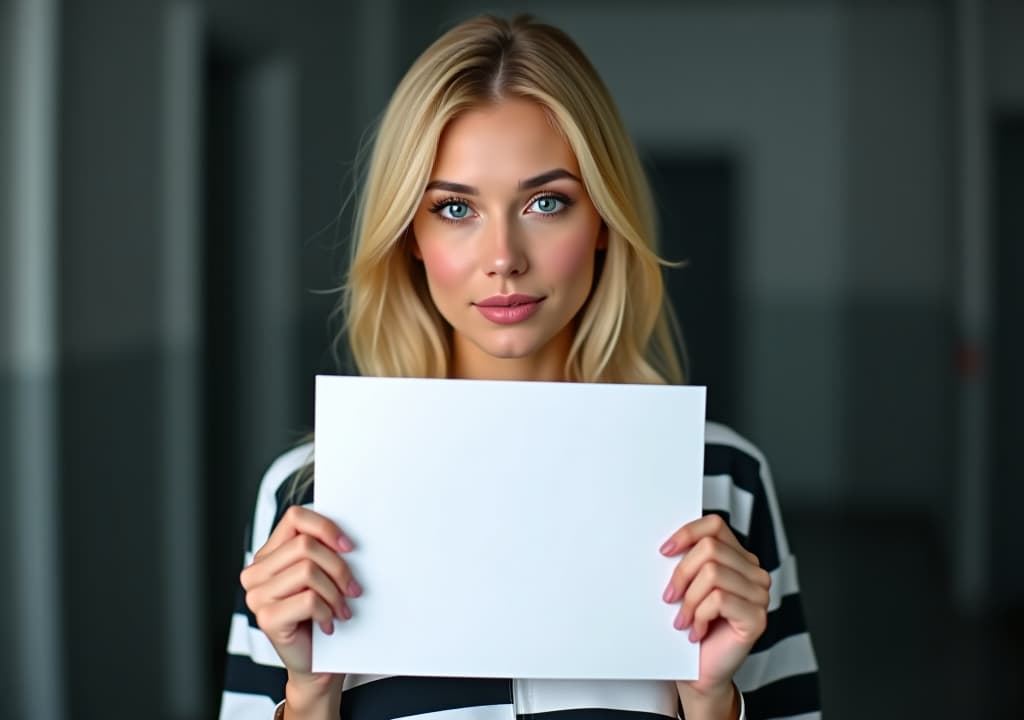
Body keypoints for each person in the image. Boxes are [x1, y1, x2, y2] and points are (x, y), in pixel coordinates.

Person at [219, 14, 821, 720]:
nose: (503, 256)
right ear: (410, 235)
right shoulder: (310, 495)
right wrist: (309, 694)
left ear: (601, 219)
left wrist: (715, 701)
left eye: (546, 202)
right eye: (454, 207)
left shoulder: (721, 478)